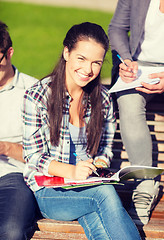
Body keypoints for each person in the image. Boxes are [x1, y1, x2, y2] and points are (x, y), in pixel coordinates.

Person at [22, 22, 141, 240]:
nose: (88, 70)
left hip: (89, 186)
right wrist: (72, 172)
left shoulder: (103, 99)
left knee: (100, 223)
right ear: (66, 52)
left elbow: (105, 150)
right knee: (104, 195)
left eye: (96, 63)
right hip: (51, 191)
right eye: (81, 59)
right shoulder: (38, 96)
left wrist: (100, 165)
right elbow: (33, 156)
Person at [108, 0, 164, 225]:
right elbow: (117, 28)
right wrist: (126, 60)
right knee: (129, 101)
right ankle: (145, 182)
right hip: (140, 67)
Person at [0, 21, 40, 240]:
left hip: (13, 177)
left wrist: (5, 147)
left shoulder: (33, 91)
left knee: (11, 233)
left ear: (9, 53)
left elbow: (46, 156)